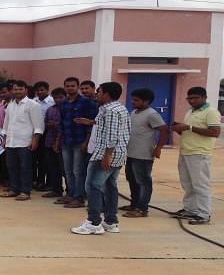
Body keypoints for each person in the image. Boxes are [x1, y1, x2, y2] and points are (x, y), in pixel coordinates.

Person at [71, 82, 131, 235]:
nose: (97, 94)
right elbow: (115, 128)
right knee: (110, 186)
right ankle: (110, 221)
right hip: (118, 153)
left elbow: (111, 135)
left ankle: (94, 222)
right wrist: (91, 122)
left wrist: (107, 155)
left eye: (99, 91)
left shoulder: (109, 110)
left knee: (93, 186)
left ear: (107, 94)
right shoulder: (119, 108)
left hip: (105, 154)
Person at [171, 86, 221, 225]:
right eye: (189, 98)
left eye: (195, 98)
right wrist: (179, 129)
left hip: (199, 153)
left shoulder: (211, 112)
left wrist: (189, 128)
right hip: (186, 151)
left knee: (200, 185)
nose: (192, 101)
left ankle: (204, 214)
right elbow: (189, 130)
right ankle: (190, 209)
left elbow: (215, 132)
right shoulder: (190, 111)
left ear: (204, 97)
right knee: (187, 183)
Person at [120, 88, 169, 218]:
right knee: (132, 179)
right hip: (130, 153)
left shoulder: (151, 114)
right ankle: (134, 204)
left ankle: (142, 208)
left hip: (143, 155)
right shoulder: (134, 112)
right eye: (133, 99)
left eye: (136, 100)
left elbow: (164, 130)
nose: (133, 102)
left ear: (146, 101)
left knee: (143, 181)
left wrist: (158, 147)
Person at [56, 77, 97, 209]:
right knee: (67, 171)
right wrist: (58, 140)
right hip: (66, 141)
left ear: (77, 87)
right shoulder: (64, 104)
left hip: (80, 141)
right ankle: (71, 194)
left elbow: (92, 124)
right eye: (67, 86)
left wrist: (86, 142)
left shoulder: (87, 103)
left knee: (78, 171)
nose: (70, 88)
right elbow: (61, 124)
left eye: (73, 86)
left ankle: (79, 197)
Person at [0, 81, 43, 200]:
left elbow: (38, 125)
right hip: (11, 141)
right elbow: (6, 124)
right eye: (15, 89)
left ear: (26, 90)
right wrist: (4, 139)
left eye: (20, 89)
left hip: (26, 141)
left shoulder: (32, 105)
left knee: (25, 167)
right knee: (11, 166)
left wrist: (35, 140)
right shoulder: (10, 105)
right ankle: (14, 189)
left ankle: (25, 191)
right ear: (12, 91)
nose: (17, 91)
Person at [42, 87, 66, 198]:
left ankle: (70, 191)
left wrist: (56, 125)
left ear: (65, 97)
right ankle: (56, 189)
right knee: (52, 167)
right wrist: (49, 124)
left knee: (65, 169)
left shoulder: (67, 109)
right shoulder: (50, 109)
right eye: (56, 97)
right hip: (49, 141)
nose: (58, 100)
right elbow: (45, 123)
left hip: (63, 143)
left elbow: (65, 126)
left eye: (60, 97)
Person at [32, 81, 54, 191]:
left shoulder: (52, 101)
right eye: (38, 90)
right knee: (36, 159)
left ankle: (49, 183)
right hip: (35, 134)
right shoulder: (33, 102)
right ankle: (38, 181)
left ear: (47, 90)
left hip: (48, 134)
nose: (40, 92)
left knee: (47, 159)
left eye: (42, 90)